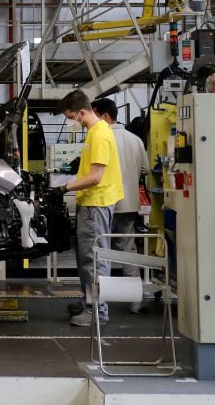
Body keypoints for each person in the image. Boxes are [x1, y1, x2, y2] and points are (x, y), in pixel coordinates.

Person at [58, 89, 124, 327]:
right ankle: (89, 302)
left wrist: (65, 188)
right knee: (86, 257)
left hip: (97, 203)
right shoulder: (94, 132)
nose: (70, 122)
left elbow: (96, 177)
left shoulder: (98, 135)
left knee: (94, 260)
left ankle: (97, 311)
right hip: (92, 202)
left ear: (82, 112)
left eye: (71, 117)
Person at [91, 98, 150, 314]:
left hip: (103, 203)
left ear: (105, 116)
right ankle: (136, 302)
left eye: (93, 114)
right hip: (129, 205)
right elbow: (145, 169)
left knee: (99, 251)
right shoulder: (135, 140)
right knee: (128, 251)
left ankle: (99, 304)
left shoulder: (100, 137)